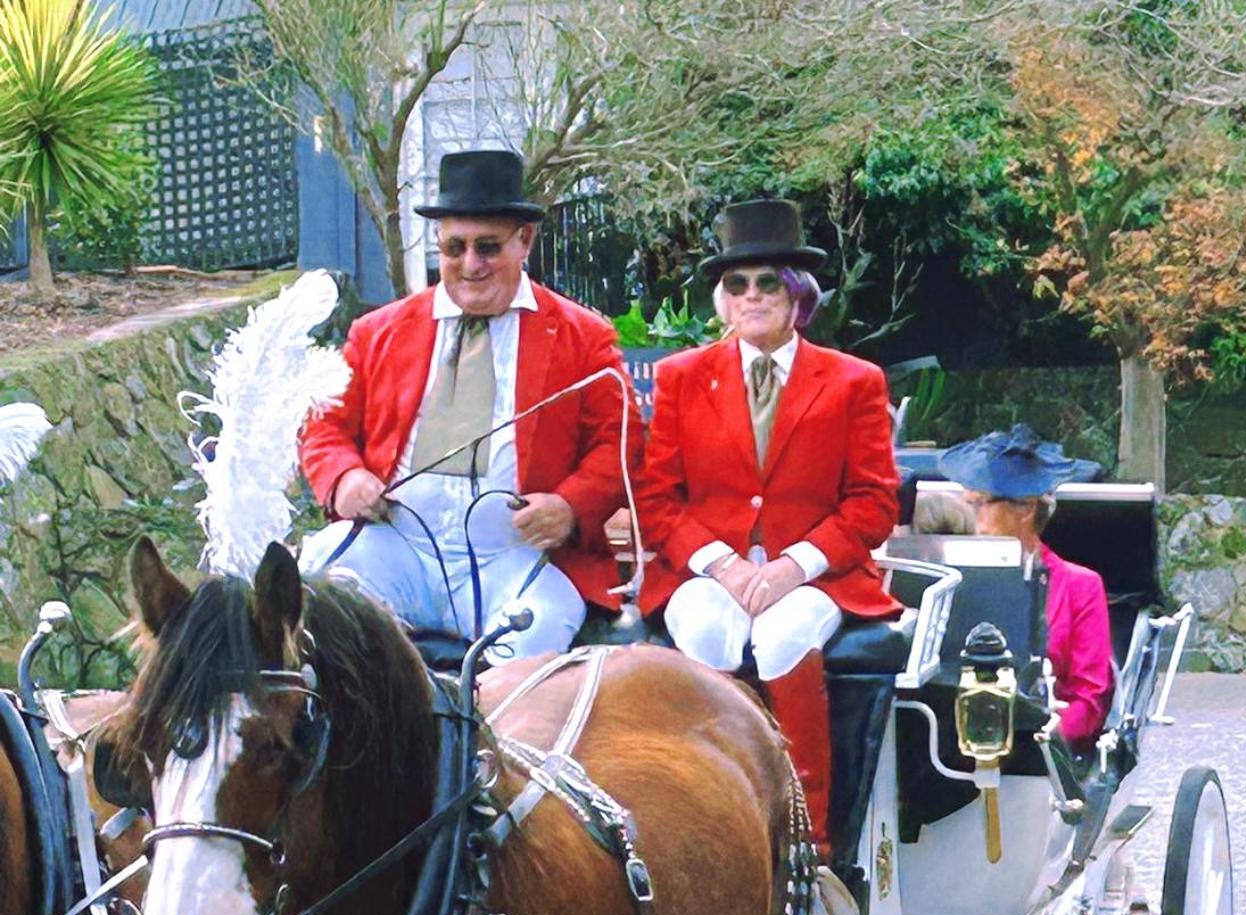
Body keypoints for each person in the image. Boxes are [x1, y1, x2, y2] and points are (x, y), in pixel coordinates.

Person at [635, 199, 900, 857]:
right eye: (736, 283)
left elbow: (873, 504)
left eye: (767, 282)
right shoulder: (678, 378)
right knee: (704, 630)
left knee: (781, 634)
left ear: (796, 294)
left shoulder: (853, 382)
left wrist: (792, 566)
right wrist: (723, 565)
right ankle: (702, 811)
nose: (751, 296)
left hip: (816, 571)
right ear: (721, 300)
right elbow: (657, 497)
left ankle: (809, 831)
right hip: (709, 567)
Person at [299, 149, 637, 656]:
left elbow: (622, 443)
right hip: (397, 547)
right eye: (455, 248)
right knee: (311, 610)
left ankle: (486, 738)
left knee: (538, 635)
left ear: (525, 241)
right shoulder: (376, 332)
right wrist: (343, 478)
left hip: (515, 557)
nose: (470, 265)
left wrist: (569, 505)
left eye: (488, 247)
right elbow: (324, 426)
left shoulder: (583, 337)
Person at [938, 424, 1113, 747]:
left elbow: (1090, 700)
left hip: (1036, 744)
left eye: (979, 504)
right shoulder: (948, 578)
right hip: (948, 738)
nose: (969, 515)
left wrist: (1047, 733)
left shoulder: (1080, 585)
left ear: (1026, 508)